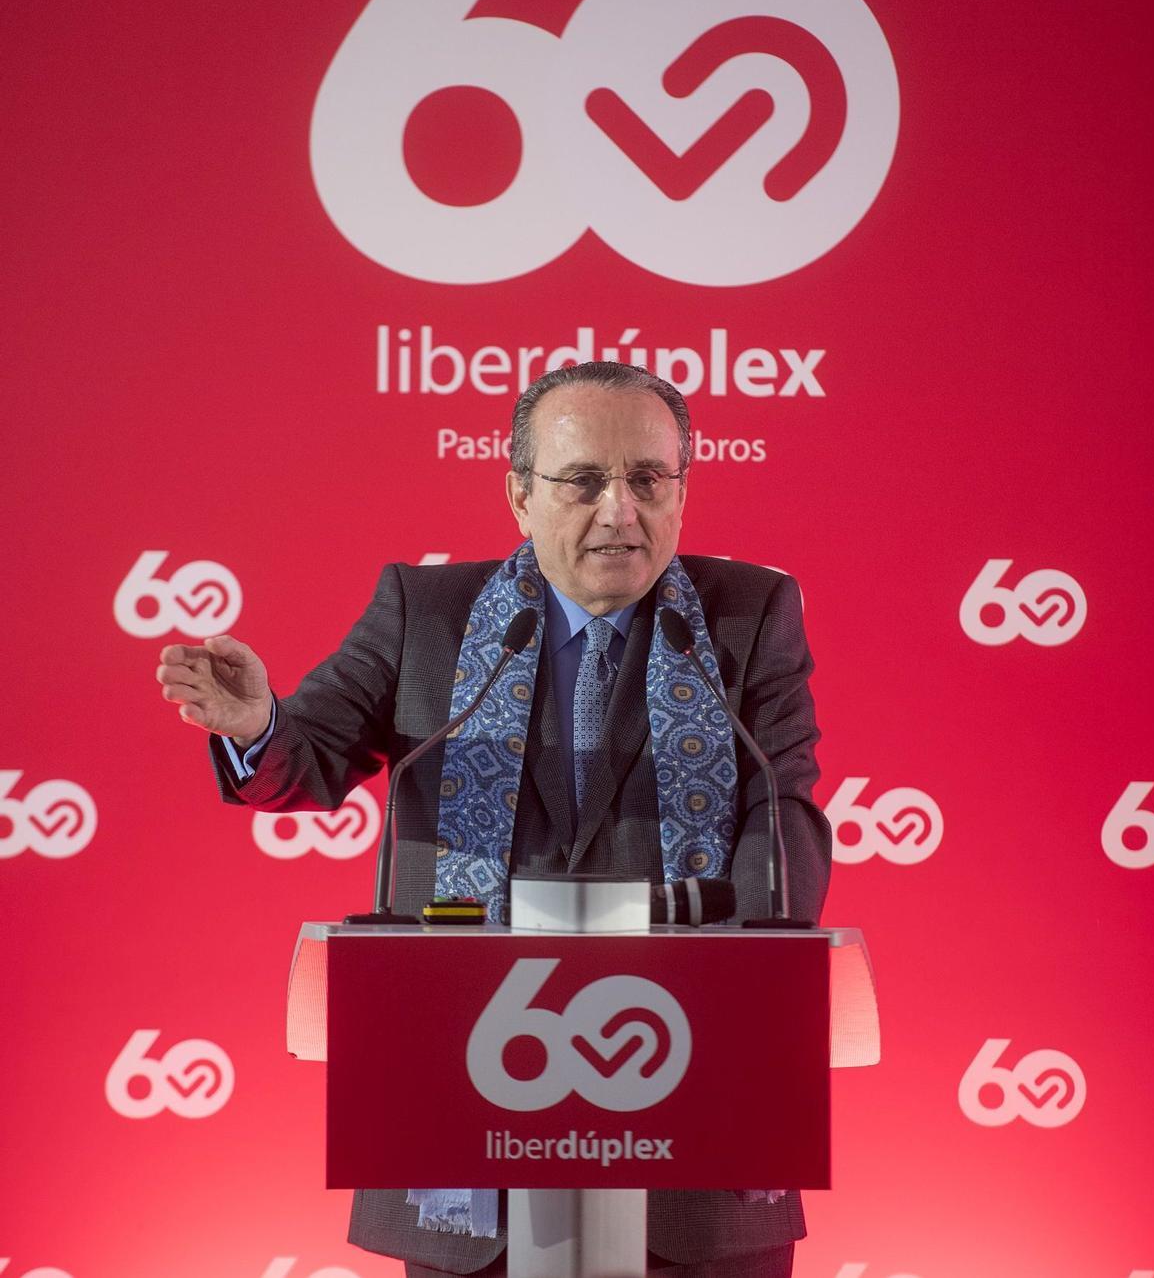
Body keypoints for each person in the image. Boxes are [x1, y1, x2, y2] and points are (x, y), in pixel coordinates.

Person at [157, 361, 831, 1278]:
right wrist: (258, 726)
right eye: (584, 479)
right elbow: (305, 766)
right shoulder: (427, 613)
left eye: (648, 479)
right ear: (518, 493)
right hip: (467, 1116)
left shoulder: (745, 616)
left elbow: (782, 814)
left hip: (691, 1116)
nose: (619, 510)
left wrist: (752, 999)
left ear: (683, 488)